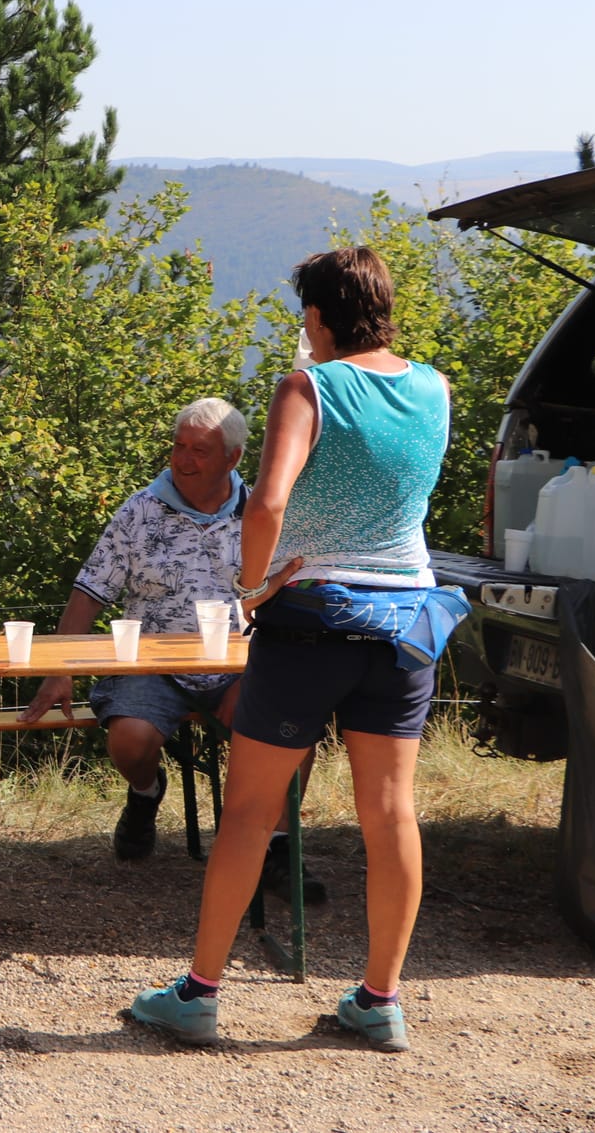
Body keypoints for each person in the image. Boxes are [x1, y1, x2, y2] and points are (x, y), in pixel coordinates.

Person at [131, 246, 451, 1052]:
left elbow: (267, 502)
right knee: (389, 811)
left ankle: (199, 994)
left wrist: (249, 589)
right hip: (408, 620)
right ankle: (379, 1001)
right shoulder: (434, 388)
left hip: (310, 620)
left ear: (317, 316)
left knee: (248, 810)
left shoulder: (309, 386)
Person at [20, 398, 323, 901]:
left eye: (199, 451)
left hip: (239, 664)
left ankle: (277, 849)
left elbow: (289, 593)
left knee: (290, 727)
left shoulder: (263, 513)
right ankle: (145, 793)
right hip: (150, 665)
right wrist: (60, 668)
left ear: (233, 457)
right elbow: (90, 590)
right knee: (131, 740)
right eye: (179, 446)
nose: (183, 459)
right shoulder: (141, 510)